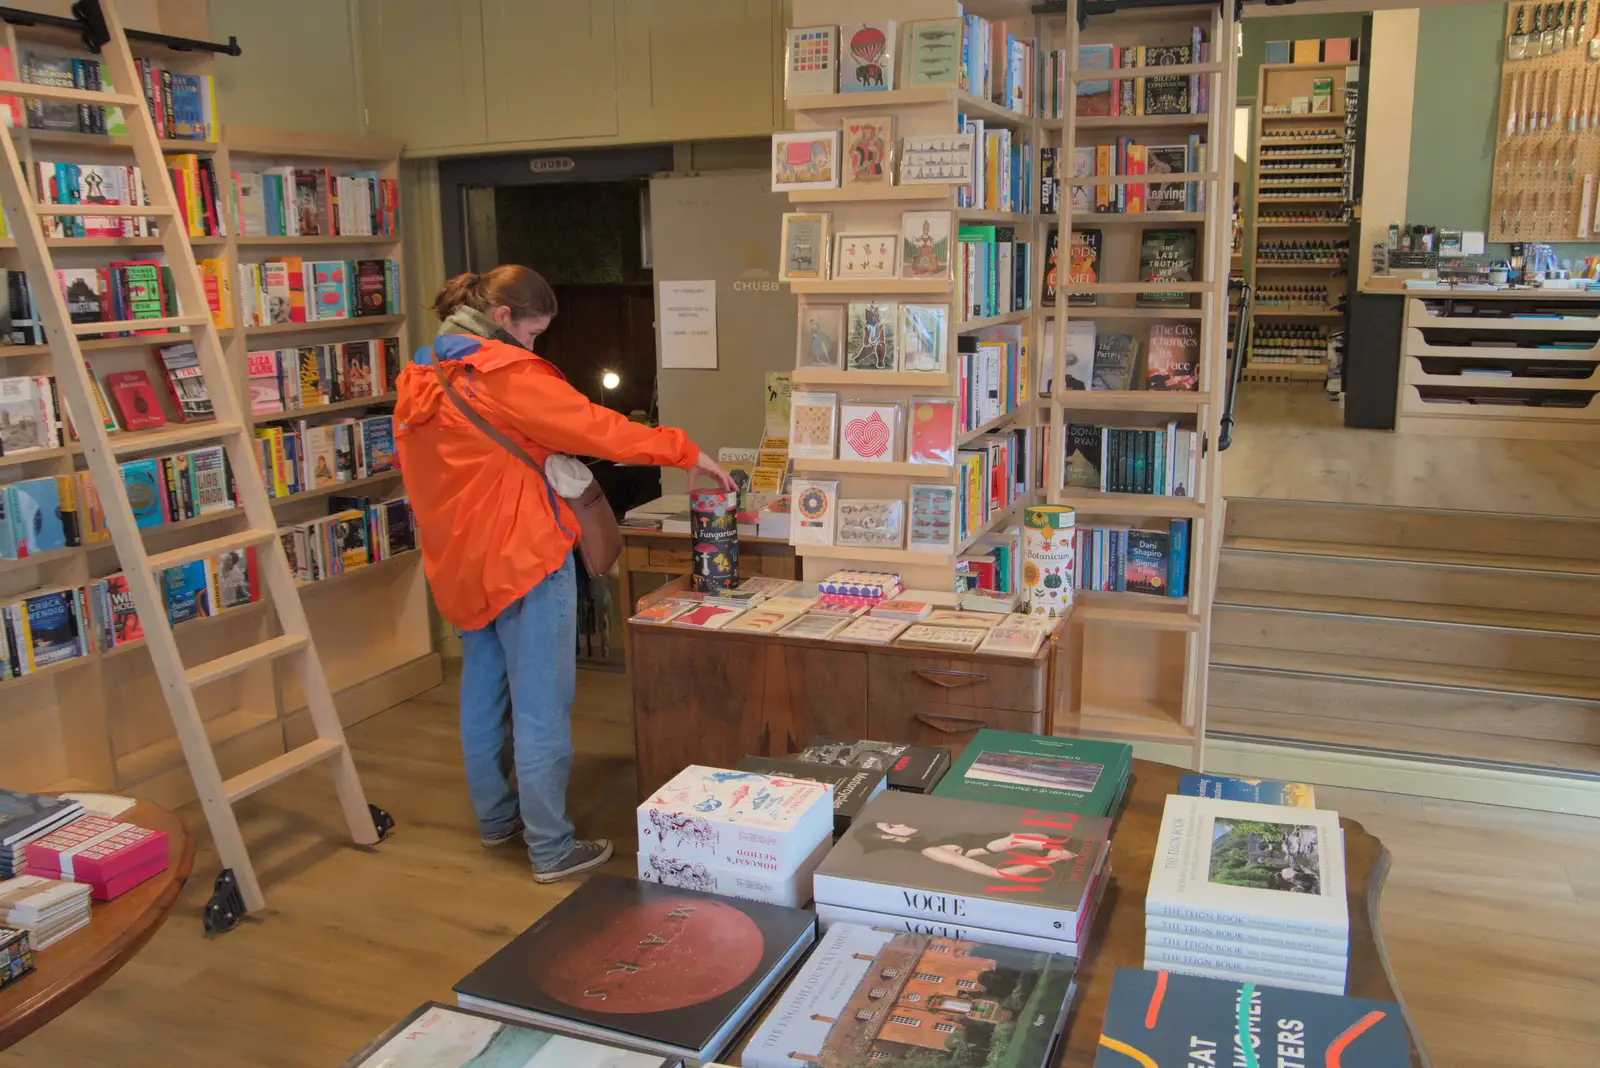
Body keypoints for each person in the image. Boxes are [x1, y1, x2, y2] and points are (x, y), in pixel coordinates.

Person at [395, 265, 734, 883]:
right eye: (533, 331)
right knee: (541, 707)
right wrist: (686, 452)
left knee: (482, 695)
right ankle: (551, 848)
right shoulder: (504, 375)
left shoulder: (422, 378)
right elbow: (598, 429)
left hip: (459, 562)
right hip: (523, 554)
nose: (535, 345)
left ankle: (498, 821)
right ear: (502, 319)